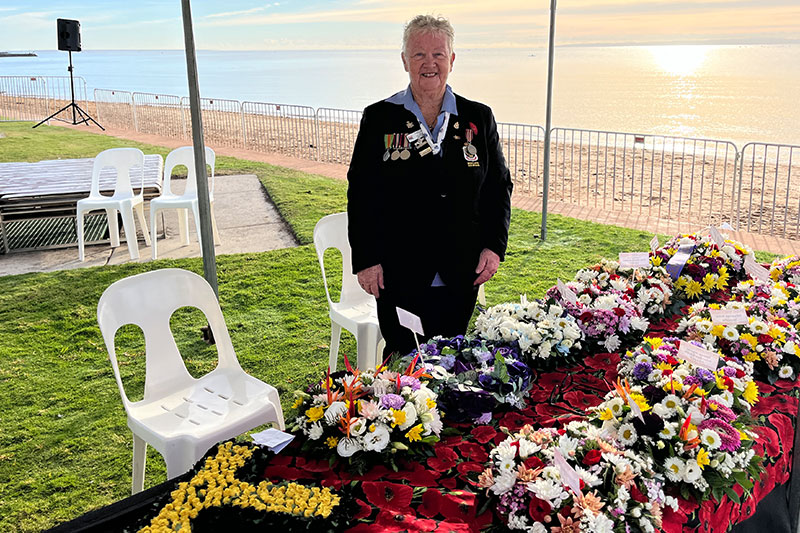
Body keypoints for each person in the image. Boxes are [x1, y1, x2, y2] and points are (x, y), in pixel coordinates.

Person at [347, 14, 513, 356]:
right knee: (405, 362)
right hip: (398, 272)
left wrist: (494, 247)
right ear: (405, 60)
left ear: (451, 60)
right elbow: (361, 192)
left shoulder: (477, 117)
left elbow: (498, 186)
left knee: (453, 358)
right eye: (419, 54)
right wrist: (366, 259)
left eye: (438, 54)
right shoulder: (379, 118)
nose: (429, 63)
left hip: (461, 270)